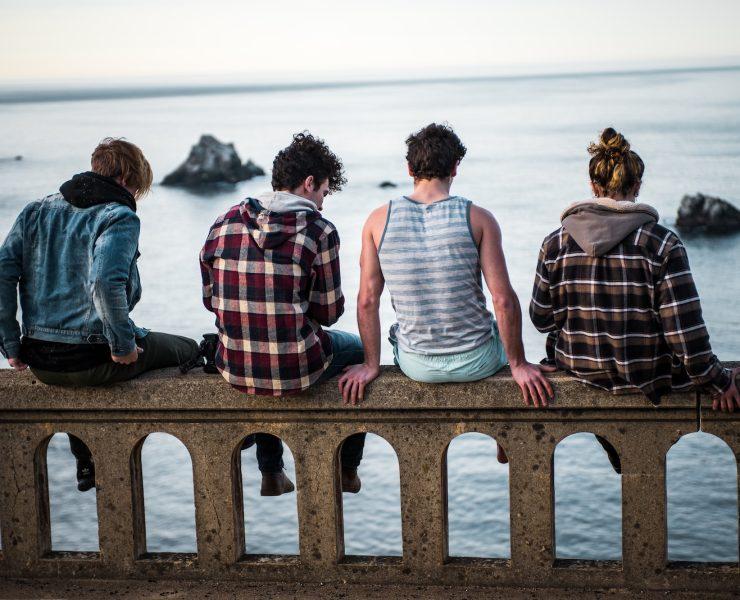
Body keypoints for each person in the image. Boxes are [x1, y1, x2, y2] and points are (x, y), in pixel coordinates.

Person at [338, 123, 555, 464]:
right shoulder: (478, 218)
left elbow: (367, 300)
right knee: (496, 334)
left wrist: (369, 364)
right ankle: (502, 435)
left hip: (416, 365)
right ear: (455, 168)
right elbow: (503, 300)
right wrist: (518, 363)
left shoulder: (377, 221)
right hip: (478, 360)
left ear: (409, 169)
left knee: (401, 332)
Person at [529, 127, 739, 471]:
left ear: (593, 187)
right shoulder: (661, 243)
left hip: (580, 368)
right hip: (647, 373)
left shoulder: (555, 243)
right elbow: (685, 333)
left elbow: (541, 320)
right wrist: (719, 381)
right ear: (637, 187)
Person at [0, 138, 200, 491]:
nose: (135, 196)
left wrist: (11, 346)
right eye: (137, 188)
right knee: (188, 350)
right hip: (90, 357)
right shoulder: (118, 216)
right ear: (125, 178)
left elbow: (3, 273)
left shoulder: (35, 211)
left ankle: (86, 459)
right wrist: (123, 345)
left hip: (43, 363)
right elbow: (105, 283)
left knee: (87, 367)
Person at [200, 132, 366, 496]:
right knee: (359, 352)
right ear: (309, 183)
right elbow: (329, 311)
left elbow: (211, 299)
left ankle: (271, 472)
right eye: (323, 192)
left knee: (255, 342)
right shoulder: (319, 230)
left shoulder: (224, 221)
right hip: (298, 369)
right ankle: (347, 469)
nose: (322, 204)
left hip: (234, 364)